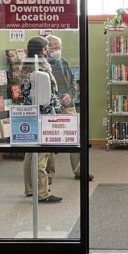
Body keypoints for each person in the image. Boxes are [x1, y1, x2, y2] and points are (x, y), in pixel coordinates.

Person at [44, 34, 93, 182]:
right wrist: (58, 99)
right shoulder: (43, 65)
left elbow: (73, 83)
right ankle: (48, 174)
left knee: (76, 138)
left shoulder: (64, 62)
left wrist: (70, 95)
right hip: (51, 107)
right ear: (47, 49)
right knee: (49, 139)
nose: (57, 50)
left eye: (59, 47)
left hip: (68, 105)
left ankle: (79, 171)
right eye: (54, 47)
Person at [21, 36, 63, 203]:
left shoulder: (26, 69)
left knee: (30, 155)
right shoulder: (41, 71)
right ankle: (43, 192)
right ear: (42, 51)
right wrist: (55, 115)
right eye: (47, 49)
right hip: (43, 116)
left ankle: (31, 189)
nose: (49, 51)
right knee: (41, 155)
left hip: (30, 114)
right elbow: (47, 98)